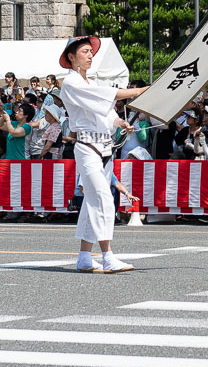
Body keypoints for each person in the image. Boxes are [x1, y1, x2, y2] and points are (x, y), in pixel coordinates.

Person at [58, 35, 147, 274]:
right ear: (71, 56)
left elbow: (107, 115)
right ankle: (107, 255)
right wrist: (136, 91)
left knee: (91, 203)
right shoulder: (71, 82)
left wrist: (121, 123)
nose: (90, 55)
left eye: (91, 52)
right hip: (87, 148)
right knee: (102, 199)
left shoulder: (89, 83)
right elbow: (105, 96)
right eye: (85, 51)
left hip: (105, 148)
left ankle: (85, 257)